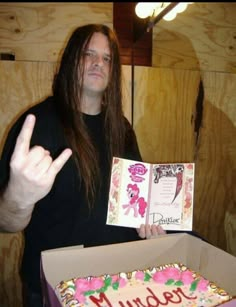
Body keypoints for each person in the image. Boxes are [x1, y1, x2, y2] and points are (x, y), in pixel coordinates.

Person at [0, 24, 165, 307]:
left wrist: (148, 223)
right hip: (57, 287)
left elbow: (135, 199)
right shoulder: (37, 124)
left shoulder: (122, 128)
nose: (98, 63)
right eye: (88, 54)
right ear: (71, 61)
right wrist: (18, 199)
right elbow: (6, 223)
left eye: (106, 57)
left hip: (118, 281)